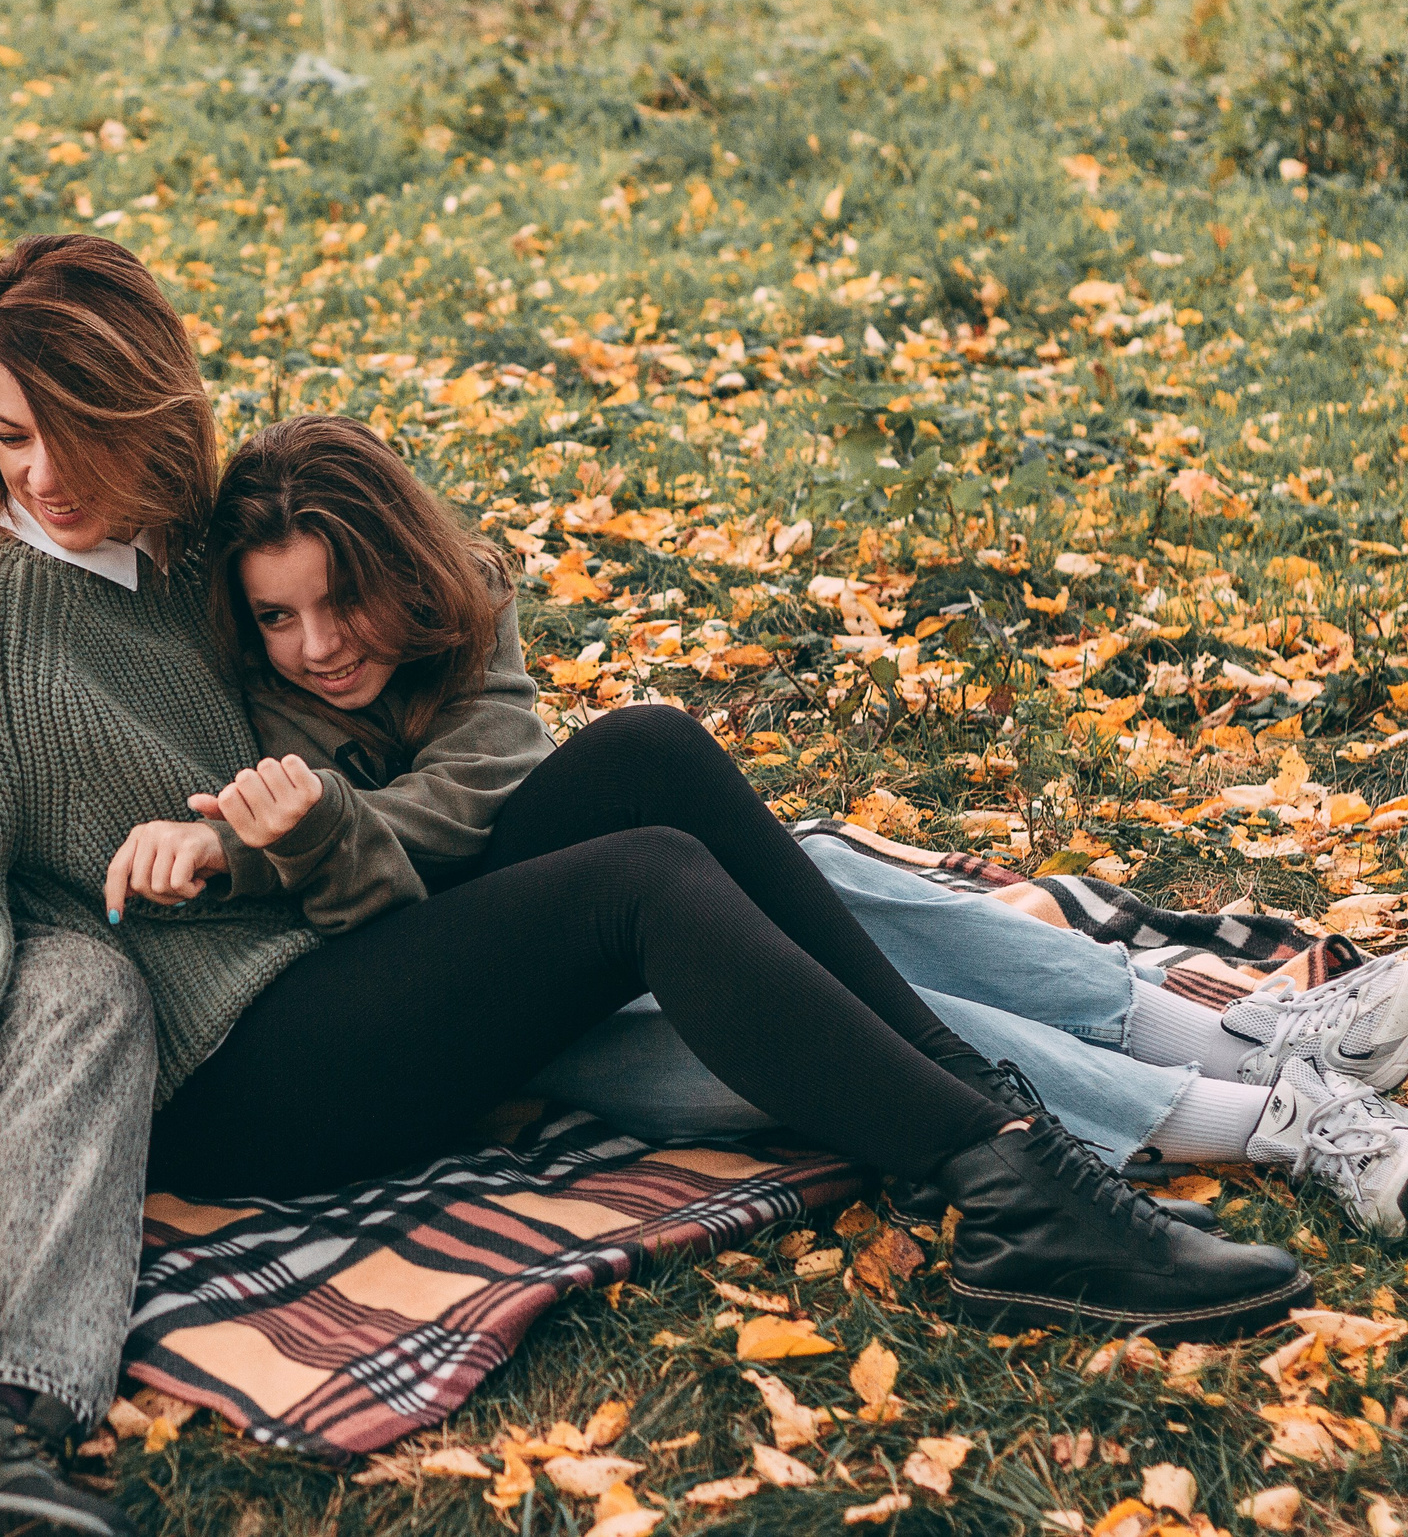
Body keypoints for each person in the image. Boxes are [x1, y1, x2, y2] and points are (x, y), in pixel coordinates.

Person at [0, 237, 1308, 1535]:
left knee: (647, 749)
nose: (43, 474)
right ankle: (1003, 1191)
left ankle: (1001, 1139)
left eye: (70, 432)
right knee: (641, 880)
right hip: (244, 1059)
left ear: (148, 410)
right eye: (10, 436)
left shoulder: (191, 549)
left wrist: (282, 825)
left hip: (345, 951)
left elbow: (385, 700)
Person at [163, 413, 1408, 1242]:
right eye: (279, 617)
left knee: (798, 871)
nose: (318, 646)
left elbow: (477, 799)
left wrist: (333, 822)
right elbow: (385, 923)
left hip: (544, 895)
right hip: (454, 999)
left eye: (344, 600)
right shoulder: (239, 700)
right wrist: (309, 833)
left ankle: (1242, 1033)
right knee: (797, 994)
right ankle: (1269, 1123)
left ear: (403, 567)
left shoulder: (461, 610)